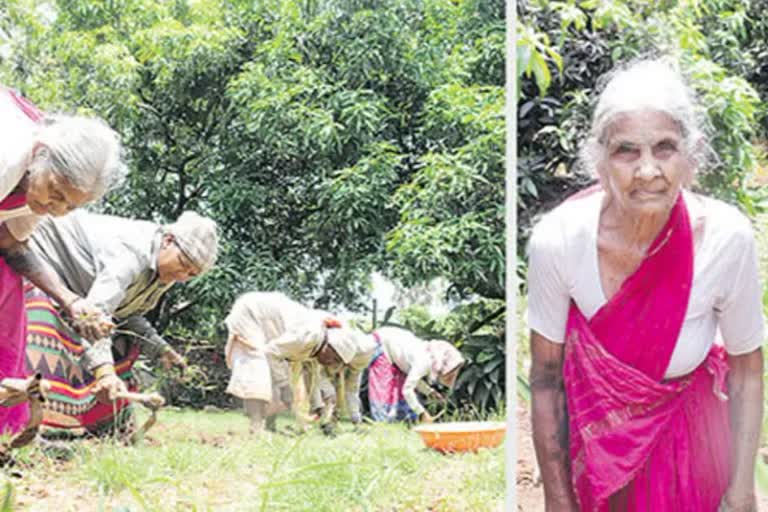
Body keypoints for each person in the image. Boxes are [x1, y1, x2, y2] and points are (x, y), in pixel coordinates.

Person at [527, 57, 764, 512]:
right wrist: (557, 499)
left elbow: (748, 372)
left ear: (691, 156)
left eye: (665, 148)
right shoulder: (558, 240)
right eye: (626, 151)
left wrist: (741, 492)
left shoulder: (726, 238)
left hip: (694, 454)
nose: (648, 171)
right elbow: (544, 379)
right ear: (599, 161)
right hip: (596, 455)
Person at [23, 210, 218, 435]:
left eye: (192, 274)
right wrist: (104, 372)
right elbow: (96, 314)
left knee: (123, 340)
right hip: (41, 262)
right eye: (184, 264)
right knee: (46, 330)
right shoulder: (131, 253)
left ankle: (102, 423)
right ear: (168, 241)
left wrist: (160, 349)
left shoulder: (166, 272)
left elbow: (126, 314)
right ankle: (33, 422)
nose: (183, 276)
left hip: (81, 295)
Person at [0, 86, 125, 433]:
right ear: (41, 154)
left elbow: (10, 243)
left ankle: (4, 435)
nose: (56, 210)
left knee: (9, 299)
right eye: (55, 194)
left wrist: (71, 302)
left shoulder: (39, 184)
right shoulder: (7, 154)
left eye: (69, 206)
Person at [224, 291, 377, 435]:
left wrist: (318, 407)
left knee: (274, 374)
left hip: (267, 324)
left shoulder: (314, 349)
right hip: (252, 313)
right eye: (335, 358)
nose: (331, 364)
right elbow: (270, 353)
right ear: (329, 347)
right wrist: (285, 386)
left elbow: (312, 378)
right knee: (259, 367)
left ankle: (268, 427)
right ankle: (257, 429)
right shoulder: (308, 336)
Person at [366, 326, 464, 424]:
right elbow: (407, 390)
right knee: (383, 387)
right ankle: (381, 424)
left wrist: (429, 392)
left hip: (393, 347)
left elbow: (413, 379)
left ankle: (399, 422)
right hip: (381, 344)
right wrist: (422, 413)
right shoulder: (423, 362)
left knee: (400, 386)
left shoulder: (429, 359)